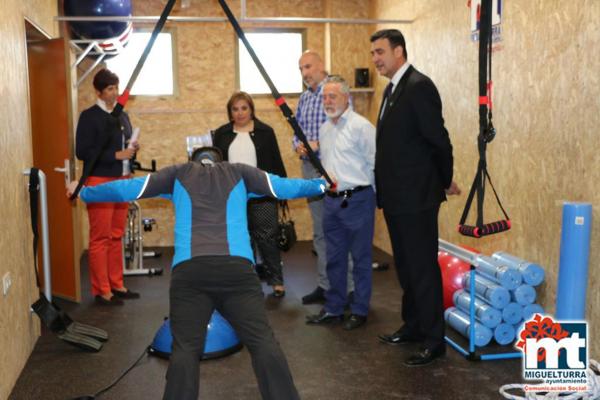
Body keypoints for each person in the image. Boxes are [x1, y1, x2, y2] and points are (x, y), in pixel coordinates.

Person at [67, 147, 327, 400]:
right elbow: (285, 187)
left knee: (185, 350)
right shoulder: (240, 172)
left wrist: (83, 192)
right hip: (236, 272)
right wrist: (322, 185)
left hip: (190, 274)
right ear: (220, 161)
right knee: (262, 343)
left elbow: (126, 188)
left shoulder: (178, 173)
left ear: (192, 161)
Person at [370, 29, 461, 366]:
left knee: (422, 269)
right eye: (373, 54)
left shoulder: (419, 87)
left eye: (380, 52)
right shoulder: (393, 89)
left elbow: (439, 140)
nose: (376, 59)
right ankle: (413, 326)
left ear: (399, 51)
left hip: (417, 198)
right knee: (406, 267)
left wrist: (444, 181)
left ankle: (434, 340)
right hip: (396, 197)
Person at [305, 76, 376, 331]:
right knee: (334, 258)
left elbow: (375, 164)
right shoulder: (325, 129)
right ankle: (334, 307)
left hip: (358, 200)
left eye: (332, 96)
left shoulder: (362, 127)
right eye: (324, 97)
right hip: (332, 203)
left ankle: (359, 309)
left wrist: (373, 200)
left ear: (347, 98)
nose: (327, 101)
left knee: (360, 259)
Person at [75, 68, 140, 306]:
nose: (115, 92)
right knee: (100, 237)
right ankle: (102, 290)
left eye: (116, 87)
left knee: (116, 235)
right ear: (99, 91)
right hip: (100, 181)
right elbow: (82, 152)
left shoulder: (122, 115)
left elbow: (125, 146)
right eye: (110, 89)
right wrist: (117, 154)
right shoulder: (89, 116)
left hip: (122, 181)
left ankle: (117, 284)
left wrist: (132, 149)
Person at [213, 92, 288, 298]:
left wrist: (281, 190)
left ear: (251, 109)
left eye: (244, 108)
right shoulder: (221, 134)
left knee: (267, 238)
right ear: (230, 112)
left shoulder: (266, 132)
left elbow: (276, 162)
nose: (240, 113)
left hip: (261, 193)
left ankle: (276, 281)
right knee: (240, 240)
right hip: (233, 196)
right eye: (235, 109)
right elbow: (215, 166)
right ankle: (247, 282)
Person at [295, 51, 355, 304]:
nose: (305, 73)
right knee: (319, 230)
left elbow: (346, 126)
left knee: (339, 228)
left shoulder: (335, 91)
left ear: (321, 65)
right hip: (309, 169)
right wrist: (297, 144)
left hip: (332, 168)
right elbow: (297, 129)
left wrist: (320, 143)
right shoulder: (305, 98)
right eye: (301, 69)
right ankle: (325, 285)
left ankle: (349, 288)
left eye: (308, 66)